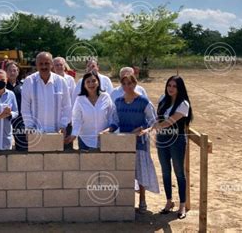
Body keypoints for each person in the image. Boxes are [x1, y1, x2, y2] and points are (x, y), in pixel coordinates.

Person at [109, 74, 159, 213]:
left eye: (130, 83)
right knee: (125, 173)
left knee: (140, 172)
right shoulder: (118, 101)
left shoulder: (144, 101)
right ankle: (125, 203)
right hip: (123, 142)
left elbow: (153, 121)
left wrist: (145, 130)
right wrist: (107, 130)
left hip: (140, 143)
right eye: (124, 84)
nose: (127, 86)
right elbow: (115, 121)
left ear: (135, 83)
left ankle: (142, 201)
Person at [154, 75, 193, 220]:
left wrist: (156, 126)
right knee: (165, 171)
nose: (171, 88)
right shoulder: (162, 99)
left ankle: (182, 205)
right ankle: (169, 201)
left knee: (179, 173)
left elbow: (170, 121)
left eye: (174, 86)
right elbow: (158, 118)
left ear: (179, 88)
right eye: (169, 85)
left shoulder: (184, 104)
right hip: (162, 140)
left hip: (177, 140)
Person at [21, 52, 71, 135]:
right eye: (41, 64)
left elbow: (67, 106)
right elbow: (25, 107)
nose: (44, 66)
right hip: (35, 132)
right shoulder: (29, 81)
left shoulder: (61, 81)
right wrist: (29, 126)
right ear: (36, 65)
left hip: (56, 132)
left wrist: (63, 125)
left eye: (47, 63)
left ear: (52, 64)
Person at [64, 72, 116, 151]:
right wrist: (74, 135)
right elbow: (77, 119)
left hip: (104, 139)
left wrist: (108, 130)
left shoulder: (106, 97)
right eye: (88, 82)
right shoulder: (80, 100)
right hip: (85, 140)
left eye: (94, 81)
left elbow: (112, 116)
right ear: (84, 85)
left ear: (98, 82)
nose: (91, 84)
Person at [53, 56, 76, 150]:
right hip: (54, 117)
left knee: (67, 145)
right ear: (53, 67)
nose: (59, 67)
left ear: (64, 66)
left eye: (61, 65)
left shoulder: (70, 80)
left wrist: (71, 117)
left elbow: (74, 98)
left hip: (68, 117)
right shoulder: (50, 80)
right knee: (54, 144)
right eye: (56, 65)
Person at [5, 62, 27, 151]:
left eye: (14, 70)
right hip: (6, 119)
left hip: (20, 120)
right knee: (6, 146)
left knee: (22, 146)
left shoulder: (23, 86)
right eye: (10, 70)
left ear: (18, 72)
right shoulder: (2, 86)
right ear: (6, 72)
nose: (12, 72)